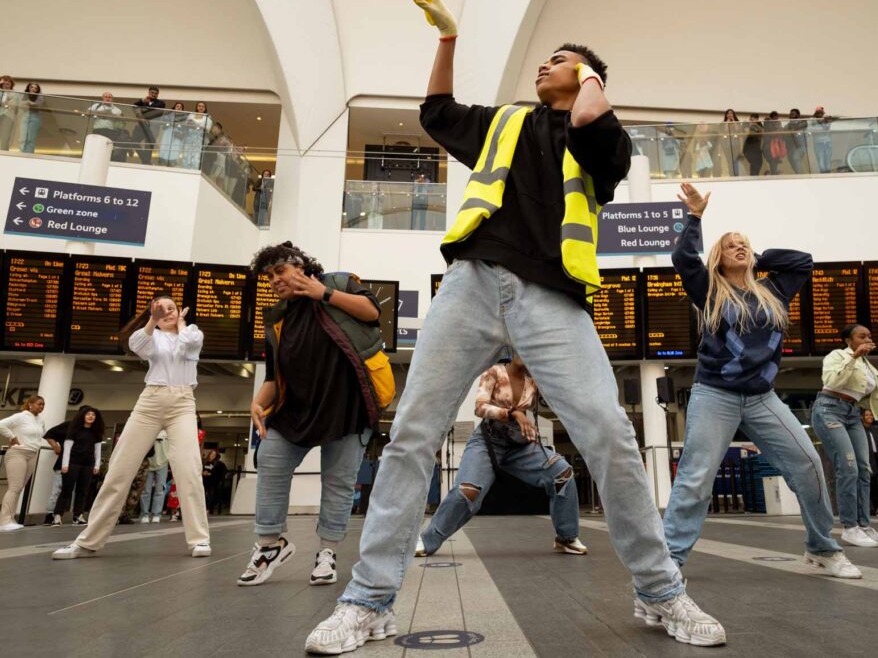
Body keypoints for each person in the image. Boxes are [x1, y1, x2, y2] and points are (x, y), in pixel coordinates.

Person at [304, 0, 725, 653]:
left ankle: (660, 589)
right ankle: (368, 601)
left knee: (611, 434)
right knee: (413, 429)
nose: (542, 64)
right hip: (472, 281)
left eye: (558, 58)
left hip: (551, 298)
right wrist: (447, 40)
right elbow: (437, 111)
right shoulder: (505, 122)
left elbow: (589, 118)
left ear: (587, 76)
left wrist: (586, 72)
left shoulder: (604, 140)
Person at [662, 182, 859, 582]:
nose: (739, 247)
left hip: (762, 398)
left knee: (808, 465)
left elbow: (802, 261)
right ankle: (667, 565)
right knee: (696, 478)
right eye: (731, 244)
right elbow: (683, 257)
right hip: (714, 394)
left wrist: (758, 256)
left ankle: (822, 549)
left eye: (744, 243)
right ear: (718, 256)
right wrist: (696, 216)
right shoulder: (709, 288)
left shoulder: (774, 289)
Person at [238, 242, 386, 587]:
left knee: (338, 482)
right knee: (271, 459)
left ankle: (327, 552)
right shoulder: (277, 317)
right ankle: (269, 546)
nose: (274, 280)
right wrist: (258, 402)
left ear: (301, 266)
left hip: (346, 408)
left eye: (280, 271)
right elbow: (275, 377)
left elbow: (371, 312)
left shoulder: (339, 283)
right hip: (294, 410)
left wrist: (324, 293)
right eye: (269, 276)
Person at [52, 297, 210, 559]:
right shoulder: (150, 337)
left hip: (183, 403)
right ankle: (87, 541)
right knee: (118, 469)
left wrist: (181, 322)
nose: (166, 313)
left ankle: (199, 540)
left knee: (189, 468)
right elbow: (136, 344)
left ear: (180, 311)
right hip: (150, 401)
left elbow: (188, 346)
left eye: (171, 308)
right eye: (160, 310)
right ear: (152, 314)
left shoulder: (192, 332)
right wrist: (153, 319)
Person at [415, 358, 587, 558]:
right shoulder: (494, 372)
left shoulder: (534, 380)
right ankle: (428, 540)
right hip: (488, 441)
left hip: (519, 444)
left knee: (562, 472)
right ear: (512, 349)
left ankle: (566, 538)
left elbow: (556, 399)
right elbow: (480, 407)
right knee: (468, 491)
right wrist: (513, 413)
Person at [811, 324, 878, 547]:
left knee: (864, 469)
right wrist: (853, 357)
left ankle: (864, 525)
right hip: (828, 409)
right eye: (861, 336)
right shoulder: (837, 355)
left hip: (853, 414)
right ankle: (849, 527)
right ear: (848, 340)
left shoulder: (869, 367)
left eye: (869, 336)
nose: (867, 339)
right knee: (848, 468)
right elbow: (833, 381)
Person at [0, 395, 46, 532]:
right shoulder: (21, 416)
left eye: (43, 404)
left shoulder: (40, 420)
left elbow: (40, 436)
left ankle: (10, 519)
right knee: (15, 487)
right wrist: (12, 437)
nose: (42, 406)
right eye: (39, 404)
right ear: (30, 404)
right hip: (17, 453)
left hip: (32, 454)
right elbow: (1, 424)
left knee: (19, 488)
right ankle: (4, 521)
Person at [52, 406, 105, 526]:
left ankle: (78, 515)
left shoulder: (96, 433)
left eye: (93, 415)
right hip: (72, 463)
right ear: (83, 416)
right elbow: (67, 448)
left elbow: (98, 450)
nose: (91, 416)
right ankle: (57, 515)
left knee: (83, 491)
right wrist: (65, 465)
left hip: (88, 464)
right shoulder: (74, 430)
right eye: (88, 414)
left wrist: (97, 465)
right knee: (67, 489)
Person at [139, 430, 169, 523]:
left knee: (160, 490)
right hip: (148, 463)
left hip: (163, 463)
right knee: (145, 490)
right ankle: (144, 514)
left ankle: (156, 514)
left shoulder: (168, 431)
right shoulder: (150, 428)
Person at [87, 92, 127, 161]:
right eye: (106, 97)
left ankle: (108, 160)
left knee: (109, 148)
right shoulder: (96, 106)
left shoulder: (117, 110)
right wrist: (101, 113)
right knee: (97, 147)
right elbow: (88, 112)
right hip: (98, 130)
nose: (107, 99)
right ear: (102, 98)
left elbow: (123, 121)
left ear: (112, 99)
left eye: (109, 97)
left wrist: (112, 115)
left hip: (111, 131)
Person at [131, 86, 166, 164]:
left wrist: (146, 105)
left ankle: (146, 162)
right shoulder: (143, 101)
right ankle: (145, 160)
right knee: (133, 141)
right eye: (152, 93)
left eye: (155, 93)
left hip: (153, 127)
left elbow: (157, 110)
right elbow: (134, 106)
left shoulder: (161, 103)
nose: (153, 94)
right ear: (149, 93)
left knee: (149, 145)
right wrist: (143, 101)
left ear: (158, 95)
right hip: (141, 127)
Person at [156, 101, 189, 166]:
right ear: (174, 107)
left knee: (175, 148)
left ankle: (172, 161)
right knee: (165, 145)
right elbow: (164, 122)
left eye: (180, 107)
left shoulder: (184, 116)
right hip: (168, 132)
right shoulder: (169, 114)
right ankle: (163, 160)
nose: (179, 108)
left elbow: (185, 126)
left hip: (177, 134)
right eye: (177, 106)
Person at [182, 102, 211, 169]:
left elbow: (207, 129)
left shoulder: (207, 118)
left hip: (199, 139)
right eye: (199, 106)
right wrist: (195, 125)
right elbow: (186, 124)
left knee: (196, 156)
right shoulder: (191, 115)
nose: (201, 108)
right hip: (189, 138)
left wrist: (196, 125)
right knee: (187, 154)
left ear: (205, 108)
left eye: (202, 106)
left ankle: (194, 169)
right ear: (196, 107)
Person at [19, 82, 44, 154]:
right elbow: (20, 104)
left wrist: (29, 103)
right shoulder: (24, 95)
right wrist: (28, 102)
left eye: (35, 88)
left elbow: (38, 105)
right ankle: (22, 153)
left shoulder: (40, 96)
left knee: (31, 138)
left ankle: (29, 154)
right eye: (32, 87)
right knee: (23, 137)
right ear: (28, 88)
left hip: (35, 116)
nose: (33, 89)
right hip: (25, 115)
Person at [809, 106, 832, 173]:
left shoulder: (826, 120)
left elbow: (827, 128)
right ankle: (823, 175)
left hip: (827, 142)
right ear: (815, 114)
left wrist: (821, 122)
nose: (820, 114)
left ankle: (828, 175)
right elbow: (811, 130)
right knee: (821, 160)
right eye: (818, 113)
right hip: (818, 143)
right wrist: (821, 127)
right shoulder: (812, 120)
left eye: (821, 113)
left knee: (828, 161)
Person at [784, 108, 807, 174]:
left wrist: (793, 128)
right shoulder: (788, 125)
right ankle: (798, 174)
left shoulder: (802, 122)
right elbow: (783, 131)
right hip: (790, 147)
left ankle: (800, 176)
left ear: (798, 115)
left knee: (796, 158)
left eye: (793, 114)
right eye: (790, 114)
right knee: (791, 161)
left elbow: (804, 124)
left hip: (800, 146)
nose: (791, 115)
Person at [722, 108, 744, 176]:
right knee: (729, 162)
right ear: (726, 115)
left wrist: (734, 121)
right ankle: (731, 175)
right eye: (728, 113)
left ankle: (736, 175)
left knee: (735, 161)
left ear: (733, 114)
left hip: (736, 145)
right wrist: (727, 122)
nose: (729, 114)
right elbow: (725, 131)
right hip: (727, 146)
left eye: (731, 113)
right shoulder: (723, 123)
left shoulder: (737, 122)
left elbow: (738, 130)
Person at [763, 111, 785, 175]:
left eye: (777, 117)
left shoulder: (778, 123)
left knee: (774, 159)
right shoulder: (768, 122)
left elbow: (780, 130)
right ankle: (773, 173)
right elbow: (771, 131)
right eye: (775, 117)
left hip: (776, 143)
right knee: (772, 159)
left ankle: (774, 172)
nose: (776, 119)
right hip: (769, 143)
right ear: (772, 117)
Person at [0, 75, 17, 150]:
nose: (7, 82)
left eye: (9, 81)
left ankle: (3, 152)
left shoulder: (15, 94)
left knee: (5, 136)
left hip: (8, 116)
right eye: (5, 81)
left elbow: (11, 106)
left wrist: (5, 105)